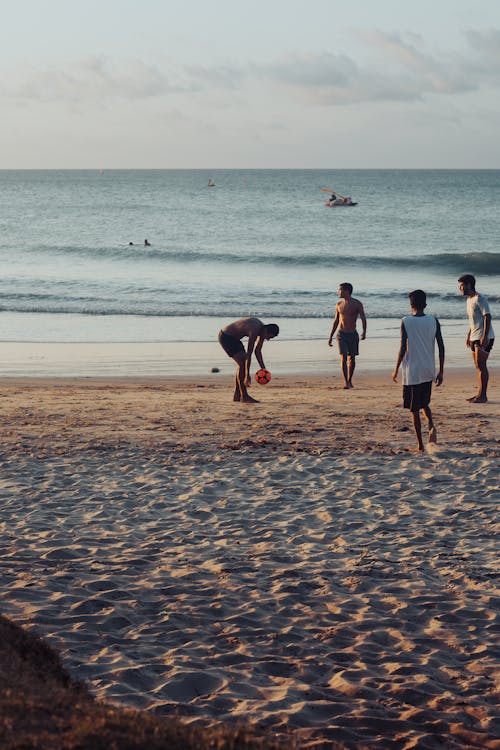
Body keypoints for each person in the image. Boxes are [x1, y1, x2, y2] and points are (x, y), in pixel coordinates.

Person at [392, 290, 445, 452]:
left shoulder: (406, 321)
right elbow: (441, 347)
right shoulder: (433, 320)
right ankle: (430, 424)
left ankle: (420, 445)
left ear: (411, 304)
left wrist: (395, 369)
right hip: (428, 369)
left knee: (414, 410)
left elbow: (402, 348)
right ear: (425, 304)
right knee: (424, 403)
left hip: (413, 371)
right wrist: (441, 371)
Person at [218, 318, 279, 403]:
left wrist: (263, 369)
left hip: (235, 339)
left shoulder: (262, 330)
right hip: (226, 336)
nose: (268, 339)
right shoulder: (254, 330)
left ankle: (237, 394)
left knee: (242, 363)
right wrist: (247, 375)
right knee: (242, 363)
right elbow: (249, 354)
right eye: (269, 337)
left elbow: (257, 351)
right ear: (266, 331)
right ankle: (244, 396)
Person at [458, 274, 495, 403]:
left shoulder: (480, 299)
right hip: (474, 336)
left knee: (481, 365)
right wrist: (469, 334)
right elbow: (474, 320)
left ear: (469, 285)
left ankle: (483, 395)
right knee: (478, 366)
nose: (460, 288)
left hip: (484, 336)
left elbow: (487, 317)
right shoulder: (469, 300)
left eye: (462, 286)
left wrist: (484, 336)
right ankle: (479, 394)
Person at [328, 283, 367, 388]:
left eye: (339, 290)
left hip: (353, 334)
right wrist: (330, 336)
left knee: (352, 359)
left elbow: (363, 318)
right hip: (341, 334)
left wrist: (364, 331)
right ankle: (346, 382)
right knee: (343, 357)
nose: (338, 292)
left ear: (346, 291)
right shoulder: (339, 304)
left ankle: (350, 380)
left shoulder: (357, 303)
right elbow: (336, 321)